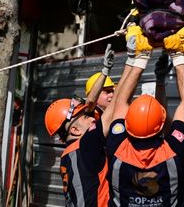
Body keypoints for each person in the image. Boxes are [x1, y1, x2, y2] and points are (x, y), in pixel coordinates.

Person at [43, 28, 149, 207]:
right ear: (75, 129)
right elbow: (117, 102)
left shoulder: (69, 154)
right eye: (85, 117)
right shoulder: (85, 146)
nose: (92, 118)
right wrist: (135, 59)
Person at [104, 26, 184, 206]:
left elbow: (120, 102)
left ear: (128, 123)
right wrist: (178, 55)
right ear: (162, 125)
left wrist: (140, 58)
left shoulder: (117, 147)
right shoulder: (173, 150)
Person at [84, 44, 117, 113]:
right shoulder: (87, 116)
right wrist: (105, 70)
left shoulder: (114, 113)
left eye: (112, 91)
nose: (112, 95)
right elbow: (90, 102)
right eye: (107, 91)